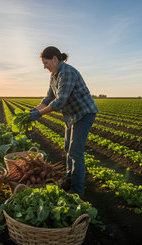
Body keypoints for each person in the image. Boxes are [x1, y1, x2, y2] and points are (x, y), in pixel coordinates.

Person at [29, 46, 99, 197]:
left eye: (46, 62)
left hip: (84, 113)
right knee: (68, 148)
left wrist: (39, 114)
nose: (44, 66)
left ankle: (77, 190)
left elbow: (60, 101)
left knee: (76, 151)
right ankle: (69, 179)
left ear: (55, 58)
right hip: (71, 116)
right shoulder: (54, 75)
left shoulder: (66, 72)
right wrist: (34, 110)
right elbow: (49, 98)